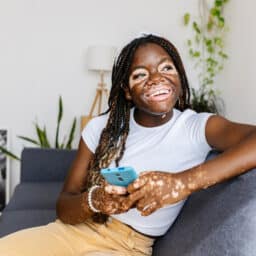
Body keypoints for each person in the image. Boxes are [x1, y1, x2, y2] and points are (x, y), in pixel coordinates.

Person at [0, 34, 256, 256]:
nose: (156, 78)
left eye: (167, 68)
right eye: (140, 74)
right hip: (71, 233)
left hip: (126, 247)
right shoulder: (100, 128)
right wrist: (95, 201)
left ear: (179, 75)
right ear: (126, 90)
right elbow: (64, 207)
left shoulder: (196, 127)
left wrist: (181, 183)